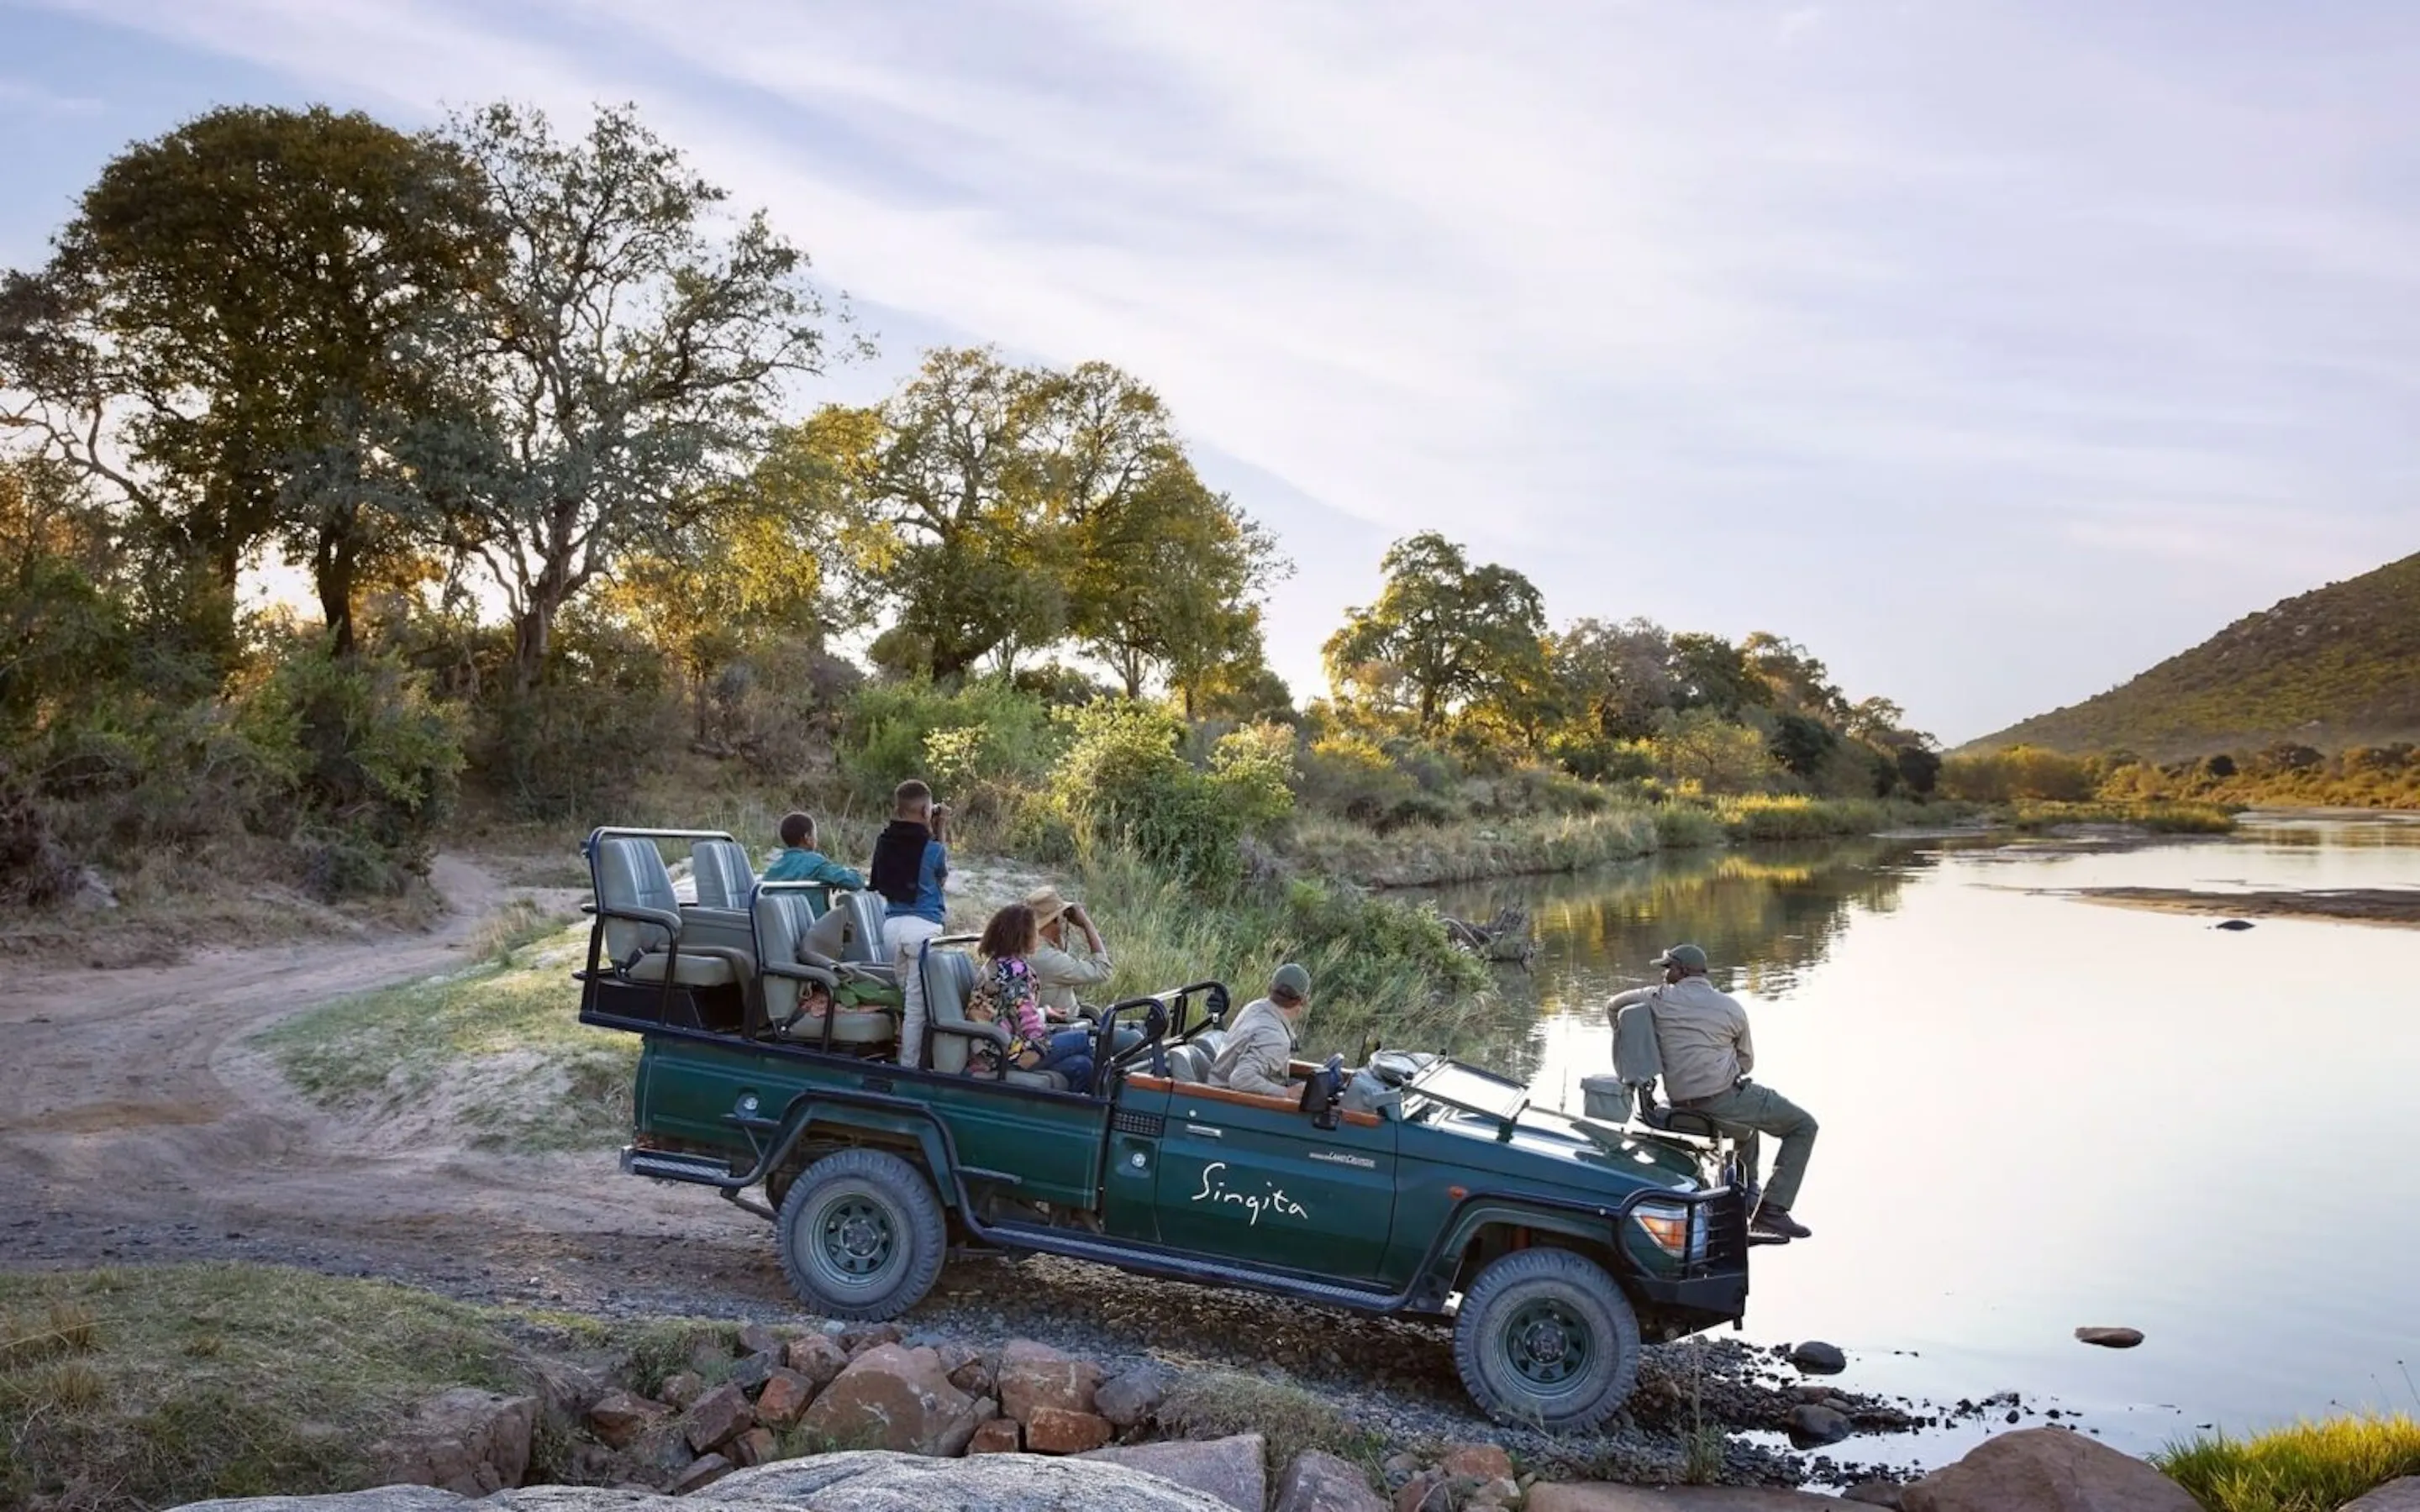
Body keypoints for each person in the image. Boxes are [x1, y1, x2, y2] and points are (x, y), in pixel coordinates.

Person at [1607, 944, 1817, 1242]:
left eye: (1668, 968)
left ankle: (1747, 1198)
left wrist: (1632, 1041)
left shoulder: (1657, 998)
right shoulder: (1731, 1008)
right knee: (1802, 1126)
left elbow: (1614, 1006)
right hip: (1719, 1098)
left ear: (1681, 970)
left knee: (1748, 1126)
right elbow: (1746, 1062)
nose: (1665, 973)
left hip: (1680, 1099)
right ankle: (1772, 1211)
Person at [968, 903, 1096, 1090]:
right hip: (1008, 1053)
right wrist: (1050, 1037)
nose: (1038, 936)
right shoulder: (1017, 971)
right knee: (1085, 1040)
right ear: (1024, 936)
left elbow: (1009, 1011)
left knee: (1083, 1065)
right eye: (1034, 931)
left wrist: (1044, 1014)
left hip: (991, 1051)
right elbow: (1030, 1026)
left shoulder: (996, 964)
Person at [870, 780, 950, 1068]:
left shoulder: (884, 841)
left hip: (892, 929)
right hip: (924, 929)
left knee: (907, 998)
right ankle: (910, 1068)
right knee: (918, 1008)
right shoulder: (932, 849)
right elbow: (941, 877)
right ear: (927, 811)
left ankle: (896, 1050)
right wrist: (940, 830)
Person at [1212, 963, 1311, 1098]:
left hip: (1216, 1088)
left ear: (1270, 988)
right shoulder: (1276, 1039)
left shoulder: (1255, 1007)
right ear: (1303, 1001)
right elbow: (1240, 1079)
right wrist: (1287, 1093)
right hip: (1226, 1103)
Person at [1023, 884, 1113, 1019]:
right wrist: (1086, 924)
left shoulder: (1024, 947)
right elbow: (1103, 970)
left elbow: (1060, 952)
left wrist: (1057, 932)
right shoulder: (1048, 959)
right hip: (1061, 1024)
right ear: (1054, 921)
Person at [762, 812, 865, 890]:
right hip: (811, 917)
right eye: (815, 834)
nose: (817, 839)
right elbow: (854, 881)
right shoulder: (814, 863)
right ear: (807, 837)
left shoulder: (773, 869)